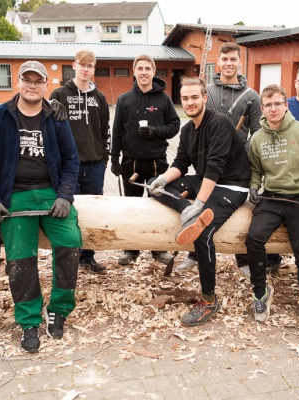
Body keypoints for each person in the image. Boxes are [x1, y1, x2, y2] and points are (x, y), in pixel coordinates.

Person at [0, 60, 81, 353]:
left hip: (50, 192)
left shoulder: (55, 117)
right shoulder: (0, 115)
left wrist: (64, 195)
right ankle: (28, 320)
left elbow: (71, 160)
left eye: (38, 81)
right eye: (28, 80)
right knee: (20, 256)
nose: (32, 86)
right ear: (18, 83)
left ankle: (59, 308)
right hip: (15, 195)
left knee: (70, 242)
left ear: (45, 86)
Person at [147, 77, 250, 327]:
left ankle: (208, 299)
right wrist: (161, 180)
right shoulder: (186, 130)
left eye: (195, 97)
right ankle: (188, 212)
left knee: (202, 235)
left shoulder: (219, 123)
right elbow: (181, 163)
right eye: (185, 98)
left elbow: (215, 167)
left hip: (232, 186)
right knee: (154, 185)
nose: (190, 102)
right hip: (206, 181)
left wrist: (199, 202)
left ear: (204, 98)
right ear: (181, 102)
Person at [246, 84, 299, 342]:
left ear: (286, 105)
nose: (273, 108)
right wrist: (253, 187)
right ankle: (261, 294)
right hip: (272, 198)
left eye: (277, 103)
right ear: (262, 108)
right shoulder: (257, 139)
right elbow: (257, 172)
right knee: (254, 239)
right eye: (268, 105)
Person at [178, 41, 269, 275]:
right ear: (218, 62)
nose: (229, 64)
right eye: (225, 59)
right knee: (204, 207)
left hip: (236, 165)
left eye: (233, 59)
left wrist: (243, 151)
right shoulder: (206, 91)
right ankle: (194, 254)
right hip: (207, 165)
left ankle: (243, 260)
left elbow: (258, 131)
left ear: (240, 62)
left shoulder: (251, 96)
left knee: (237, 212)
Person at [110, 54, 180, 266]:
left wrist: (157, 131)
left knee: (159, 207)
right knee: (131, 208)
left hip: (157, 162)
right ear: (134, 72)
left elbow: (175, 125)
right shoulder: (124, 99)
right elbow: (117, 131)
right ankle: (131, 249)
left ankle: (159, 250)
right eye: (139, 68)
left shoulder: (164, 99)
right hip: (131, 162)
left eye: (147, 68)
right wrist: (114, 158)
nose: (143, 72)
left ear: (153, 71)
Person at [50, 50, 109, 275]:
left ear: (94, 69)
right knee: (68, 211)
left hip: (94, 164)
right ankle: (68, 257)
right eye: (82, 65)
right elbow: (48, 128)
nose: (86, 69)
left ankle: (88, 256)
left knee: (92, 211)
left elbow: (105, 131)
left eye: (90, 66)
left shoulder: (100, 98)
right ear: (73, 65)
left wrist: (103, 160)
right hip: (68, 165)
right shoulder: (59, 94)